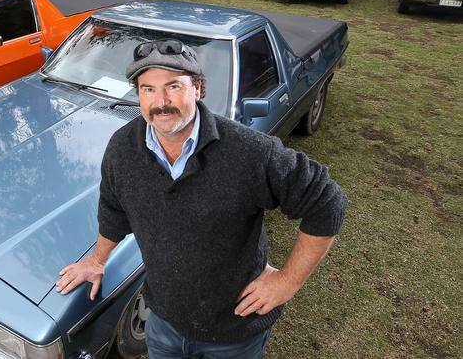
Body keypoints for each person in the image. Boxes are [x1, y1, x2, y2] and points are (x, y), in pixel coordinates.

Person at [56, 39, 347, 358]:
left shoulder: (249, 153)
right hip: (163, 324)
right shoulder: (122, 148)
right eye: (147, 89)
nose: (160, 102)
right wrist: (97, 261)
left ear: (198, 89)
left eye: (173, 86)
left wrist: (287, 282)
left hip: (233, 335)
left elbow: (327, 202)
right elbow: (113, 211)